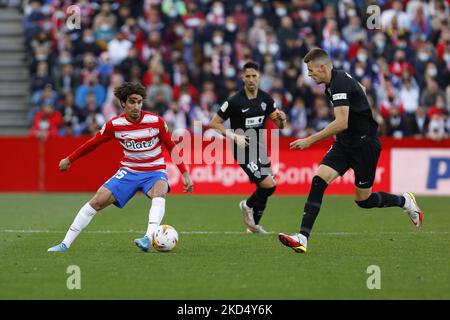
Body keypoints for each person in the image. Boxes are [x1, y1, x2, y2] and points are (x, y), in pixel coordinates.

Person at [278, 49, 423, 253]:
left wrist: (310, 140)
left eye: (311, 70)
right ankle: (302, 237)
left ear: (322, 67)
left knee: (363, 200)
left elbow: (342, 122)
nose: (309, 75)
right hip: (345, 144)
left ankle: (405, 201)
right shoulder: (336, 80)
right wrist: (363, 111)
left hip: (365, 146)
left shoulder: (338, 83)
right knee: (318, 181)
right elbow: (361, 88)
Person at [48, 82, 193, 252]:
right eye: (132, 102)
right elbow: (92, 143)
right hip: (129, 171)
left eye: (139, 102)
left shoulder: (156, 122)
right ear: (123, 103)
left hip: (154, 171)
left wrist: (185, 173)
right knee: (96, 201)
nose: (136, 106)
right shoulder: (114, 125)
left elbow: (171, 146)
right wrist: (70, 159)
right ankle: (65, 244)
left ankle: (148, 238)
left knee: (160, 192)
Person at [209, 61, 287, 234]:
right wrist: (233, 135)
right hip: (242, 149)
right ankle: (247, 205)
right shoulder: (234, 101)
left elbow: (279, 124)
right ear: (242, 78)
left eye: (254, 76)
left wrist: (282, 119)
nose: (251, 79)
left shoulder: (266, 99)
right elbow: (214, 123)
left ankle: (253, 227)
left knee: (268, 187)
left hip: (259, 147)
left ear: (259, 77)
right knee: (268, 185)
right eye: (247, 76)